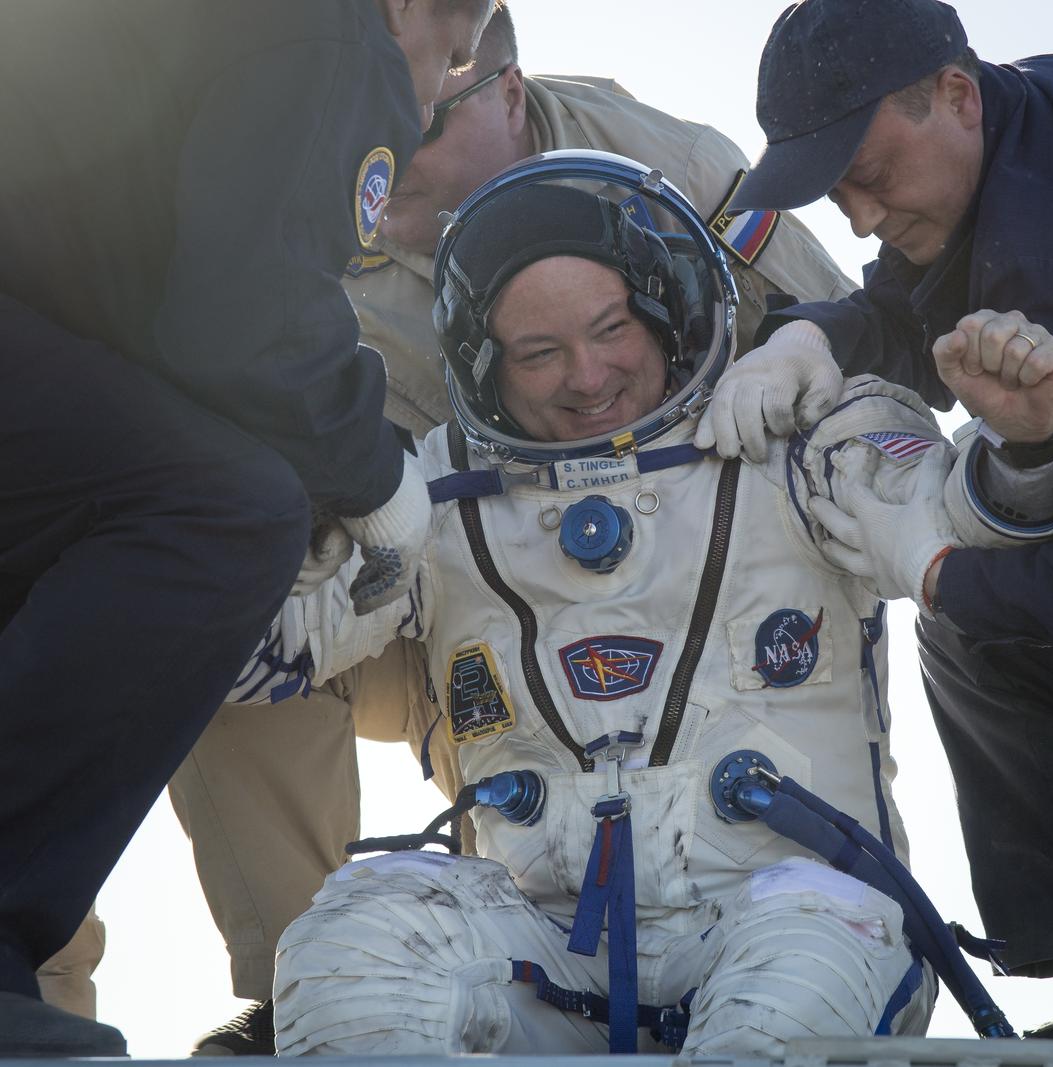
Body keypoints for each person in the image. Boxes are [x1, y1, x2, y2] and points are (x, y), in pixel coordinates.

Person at [230, 153, 1053, 1055]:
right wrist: (249, 511)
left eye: (611, 329)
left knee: (784, 994)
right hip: (548, 943)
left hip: (798, 916)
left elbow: (966, 528)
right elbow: (254, 649)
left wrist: (1028, 442)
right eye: (539, 352)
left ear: (667, 312)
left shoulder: (798, 439)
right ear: (485, 363)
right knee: (354, 942)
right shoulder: (428, 498)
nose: (587, 376)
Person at [172, 5, 862, 1055]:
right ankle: (299, 989)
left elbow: (860, 353)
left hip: (706, 628)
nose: (382, 152)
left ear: (504, 91)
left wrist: (804, 366)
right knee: (206, 627)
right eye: (358, 115)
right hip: (444, 602)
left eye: (421, 124)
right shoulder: (302, 200)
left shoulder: (666, 169)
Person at [710, 0, 1053, 1045]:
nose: (859, 216)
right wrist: (817, 336)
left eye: (868, 174)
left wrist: (934, 569)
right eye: (836, 187)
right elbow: (903, 300)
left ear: (954, 96)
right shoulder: (1024, 120)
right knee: (977, 638)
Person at [0, 0, 493, 1055]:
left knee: (102, 514)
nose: (425, 100)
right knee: (221, 513)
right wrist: (371, 475)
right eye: (447, 60)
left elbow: (168, 318)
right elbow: (244, 321)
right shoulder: (334, 34)